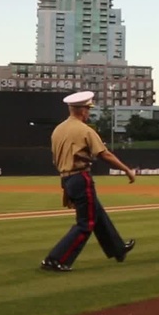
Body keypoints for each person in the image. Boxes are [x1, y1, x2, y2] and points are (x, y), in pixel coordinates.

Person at [41, 91, 137, 272]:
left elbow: (56, 160)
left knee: (97, 214)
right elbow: (104, 154)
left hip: (67, 178)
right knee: (87, 223)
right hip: (80, 177)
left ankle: (117, 248)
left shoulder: (58, 130)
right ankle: (55, 259)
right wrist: (126, 170)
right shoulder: (85, 130)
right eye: (87, 109)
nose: (88, 112)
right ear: (81, 110)